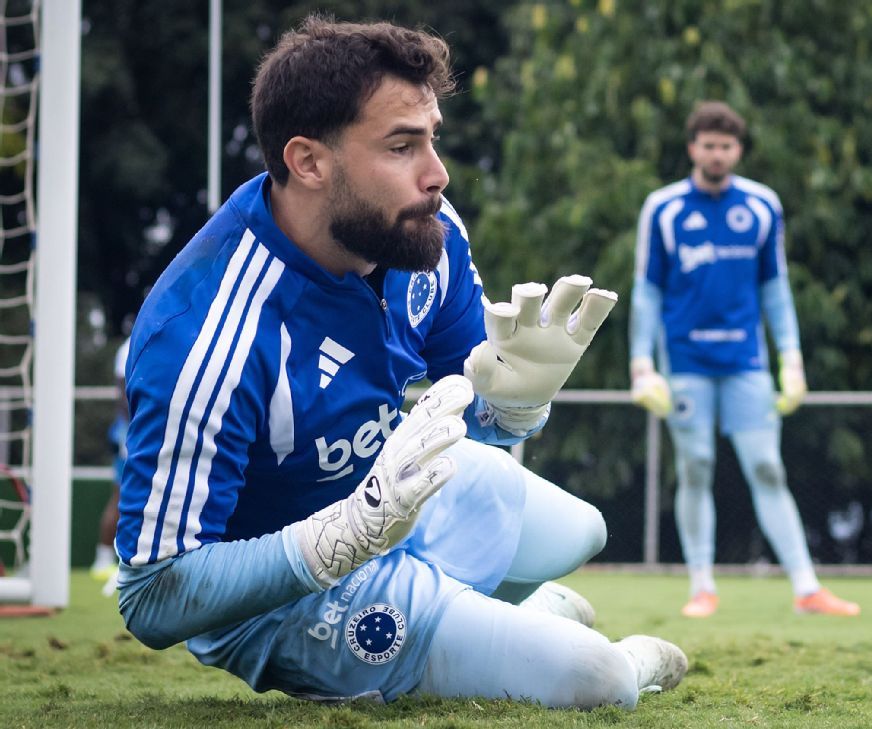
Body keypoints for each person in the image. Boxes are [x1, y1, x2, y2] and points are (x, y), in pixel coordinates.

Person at [114, 17, 685, 709]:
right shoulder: (206, 332)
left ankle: (488, 625)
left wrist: (513, 409)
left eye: (432, 137)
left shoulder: (424, 236)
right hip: (281, 588)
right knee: (600, 679)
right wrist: (338, 540)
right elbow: (152, 595)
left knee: (581, 528)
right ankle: (519, 637)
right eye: (401, 144)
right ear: (308, 161)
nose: (437, 173)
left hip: (386, 496)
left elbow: (474, 430)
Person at [628, 101, 860, 619]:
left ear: (738, 150)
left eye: (726, 145)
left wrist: (792, 358)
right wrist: (642, 364)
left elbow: (776, 289)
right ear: (693, 148)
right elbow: (645, 292)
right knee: (697, 467)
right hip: (685, 361)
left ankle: (807, 589)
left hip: (747, 362)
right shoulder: (662, 209)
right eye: (707, 144)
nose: (716, 153)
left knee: (767, 466)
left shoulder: (761, 206)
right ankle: (702, 587)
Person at [90, 337, 129, 584]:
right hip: (130, 434)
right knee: (120, 496)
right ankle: (103, 560)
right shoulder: (129, 347)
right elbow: (125, 395)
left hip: (136, 432)